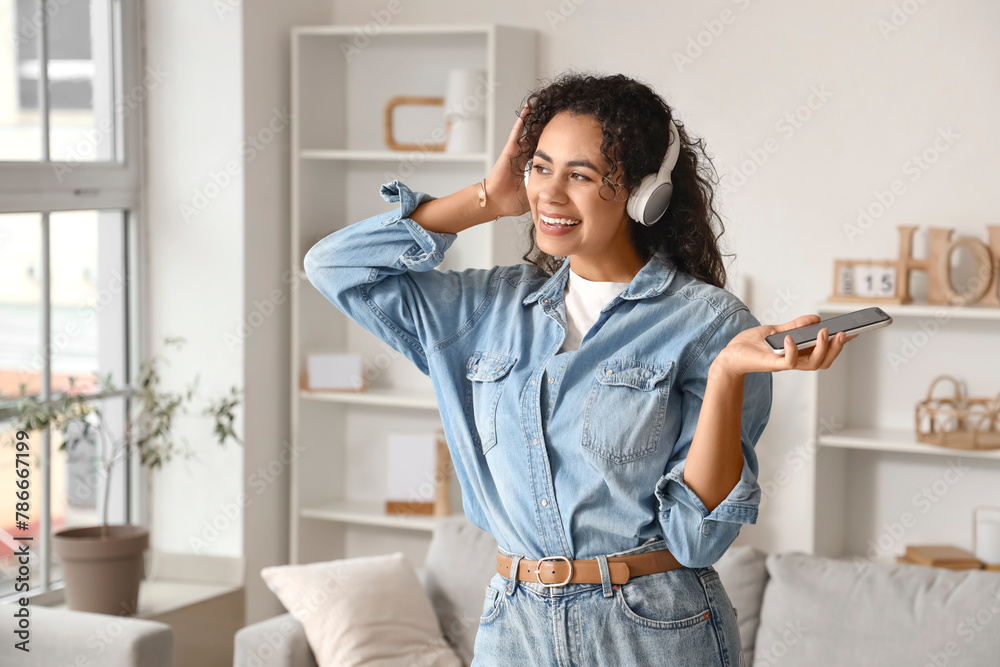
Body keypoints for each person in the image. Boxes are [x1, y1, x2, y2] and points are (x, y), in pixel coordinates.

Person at [304, 71, 855, 667]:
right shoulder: (485, 312)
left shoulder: (709, 324)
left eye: (581, 175)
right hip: (513, 625)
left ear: (647, 193)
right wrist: (487, 198)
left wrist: (726, 376)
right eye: (540, 168)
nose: (550, 194)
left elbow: (700, 539)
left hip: (649, 629)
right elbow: (334, 267)